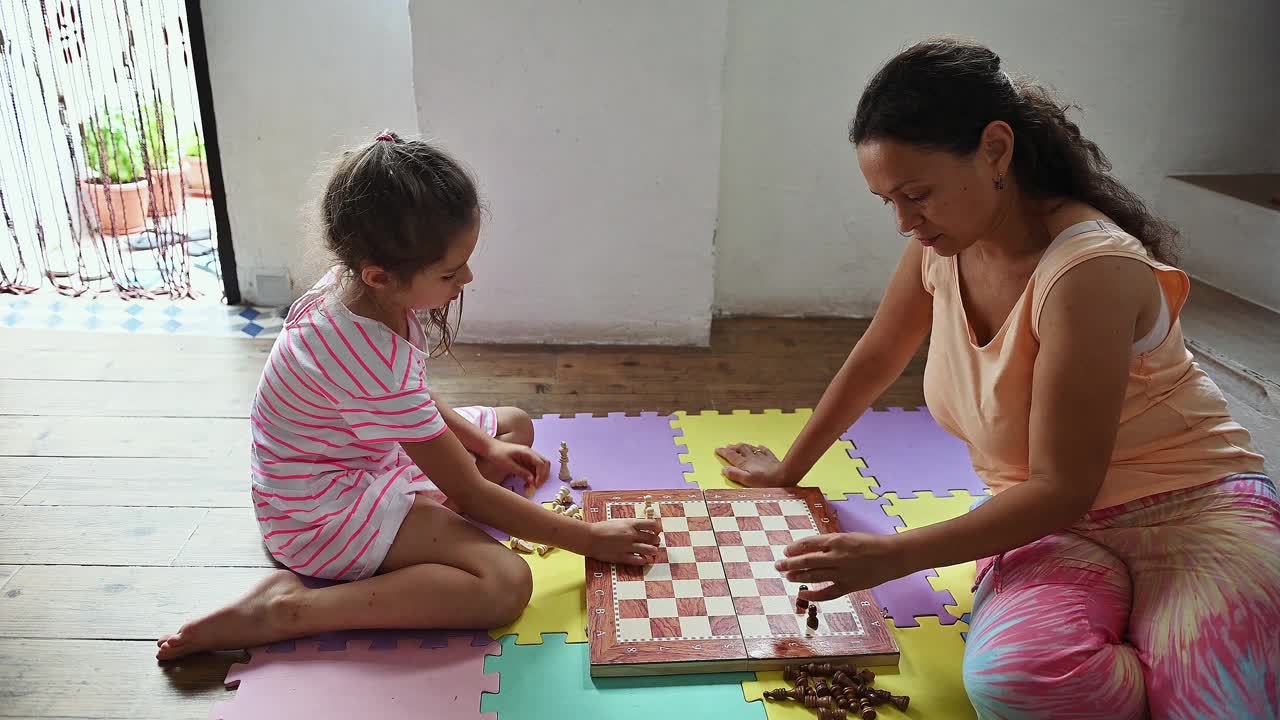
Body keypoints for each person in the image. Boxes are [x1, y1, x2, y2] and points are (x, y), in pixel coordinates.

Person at [717, 39, 1278, 719]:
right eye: (887, 200)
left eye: (917, 195)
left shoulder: (1087, 270)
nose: (904, 221)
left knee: (1230, 704)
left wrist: (890, 556)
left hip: (1192, 512)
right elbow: (877, 356)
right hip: (1051, 529)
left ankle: (1178, 643)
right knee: (1015, 684)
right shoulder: (940, 244)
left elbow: (1063, 486)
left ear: (997, 150)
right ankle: (1156, 644)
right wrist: (789, 471)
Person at [157, 133, 659, 660]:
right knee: (505, 584)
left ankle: (417, 524)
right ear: (380, 275)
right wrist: (591, 539)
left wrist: (485, 448)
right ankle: (289, 609)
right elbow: (470, 492)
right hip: (317, 512)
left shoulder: (352, 288)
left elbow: (406, 395)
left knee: (513, 427)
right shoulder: (366, 350)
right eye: (449, 271)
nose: (466, 278)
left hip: (358, 461)